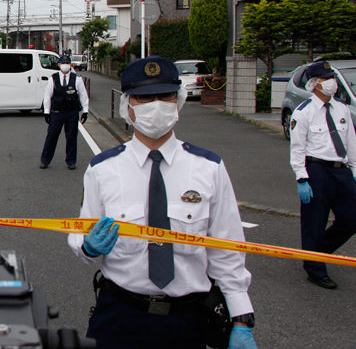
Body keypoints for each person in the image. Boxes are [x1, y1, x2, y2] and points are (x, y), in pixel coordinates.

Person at [68, 56, 257, 349]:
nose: (155, 105)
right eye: (143, 98)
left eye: (164, 96)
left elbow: (228, 248)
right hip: (119, 315)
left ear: (179, 101)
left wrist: (241, 317)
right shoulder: (102, 170)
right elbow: (81, 235)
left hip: (187, 319)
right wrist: (88, 246)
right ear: (127, 106)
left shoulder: (209, 168)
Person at [288, 61, 356, 289]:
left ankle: (316, 253)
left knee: (353, 218)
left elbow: (352, 143)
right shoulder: (303, 113)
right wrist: (302, 178)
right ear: (314, 84)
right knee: (314, 222)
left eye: (332, 77)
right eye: (326, 78)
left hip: (341, 170)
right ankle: (315, 269)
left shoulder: (342, 109)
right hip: (316, 170)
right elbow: (297, 148)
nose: (332, 82)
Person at [40, 54, 89, 170]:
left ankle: (71, 161)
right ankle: (45, 160)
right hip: (56, 112)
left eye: (67, 63)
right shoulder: (53, 78)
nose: (65, 66)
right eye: (63, 63)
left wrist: (85, 111)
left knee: (71, 137)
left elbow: (83, 95)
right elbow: (47, 96)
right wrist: (46, 112)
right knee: (51, 136)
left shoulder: (77, 79)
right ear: (59, 65)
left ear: (70, 65)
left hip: (71, 113)